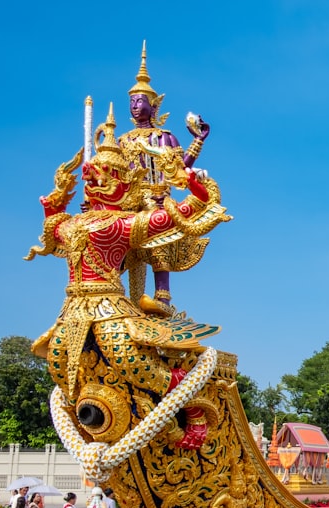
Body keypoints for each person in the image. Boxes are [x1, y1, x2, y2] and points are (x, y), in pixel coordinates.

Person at [25, 102, 228, 452]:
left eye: (105, 174)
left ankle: (194, 408)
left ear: (123, 183)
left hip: (109, 308)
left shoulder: (122, 225)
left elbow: (181, 213)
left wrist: (194, 186)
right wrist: (54, 204)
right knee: (58, 363)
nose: (94, 179)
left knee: (130, 361)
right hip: (72, 309)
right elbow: (49, 235)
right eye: (93, 175)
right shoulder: (73, 224)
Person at [119, 43, 213, 318]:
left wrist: (198, 141)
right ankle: (114, 293)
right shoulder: (121, 141)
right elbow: (109, 176)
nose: (136, 106)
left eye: (140, 101)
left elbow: (179, 170)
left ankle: (162, 295)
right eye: (132, 102)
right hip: (125, 201)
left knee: (158, 229)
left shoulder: (163, 137)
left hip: (156, 198)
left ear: (154, 105)